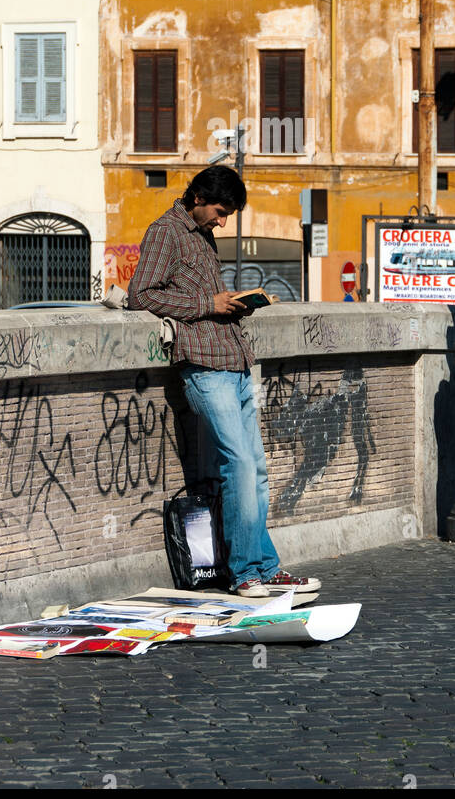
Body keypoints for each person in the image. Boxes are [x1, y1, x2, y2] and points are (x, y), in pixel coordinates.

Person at [128, 165, 321, 600]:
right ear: (197, 197)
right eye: (220, 211)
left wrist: (232, 305)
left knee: (256, 470)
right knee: (237, 465)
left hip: (234, 360)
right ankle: (244, 573)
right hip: (203, 366)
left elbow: (193, 296)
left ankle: (266, 568)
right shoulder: (166, 232)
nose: (223, 221)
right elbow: (141, 294)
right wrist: (209, 303)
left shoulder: (200, 234)